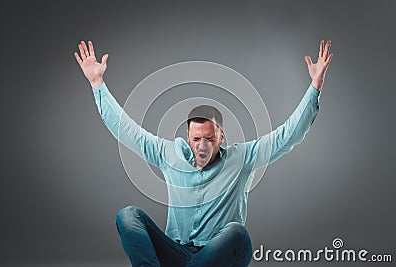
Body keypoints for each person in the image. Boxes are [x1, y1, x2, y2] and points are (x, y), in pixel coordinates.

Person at [74, 40, 333, 267]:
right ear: (188, 137)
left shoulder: (242, 157)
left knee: (236, 233)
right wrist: (97, 83)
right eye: (196, 138)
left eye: (209, 138)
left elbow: (287, 135)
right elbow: (126, 130)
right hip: (175, 252)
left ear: (221, 137)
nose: (202, 145)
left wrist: (315, 85)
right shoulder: (169, 153)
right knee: (128, 215)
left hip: (219, 256)